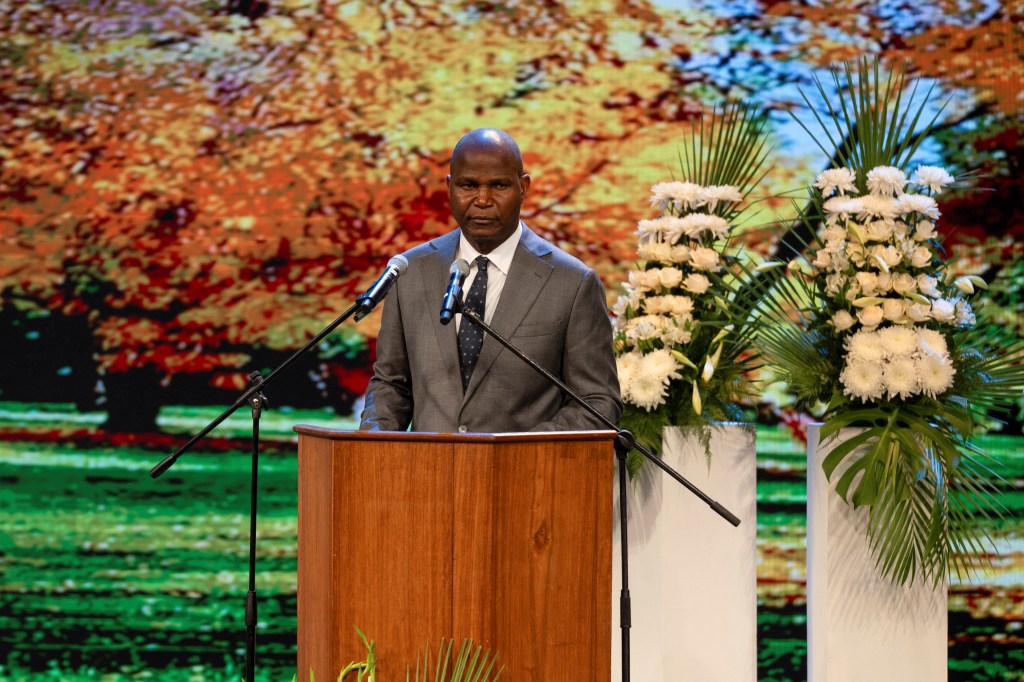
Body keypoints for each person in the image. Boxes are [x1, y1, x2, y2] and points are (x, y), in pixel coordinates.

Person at [359, 128, 621, 433]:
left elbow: (597, 403)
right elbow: (391, 385)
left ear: (523, 188)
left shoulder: (572, 283)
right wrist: (372, 445)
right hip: (428, 463)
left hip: (524, 463)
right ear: (449, 187)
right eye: (468, 185)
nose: (482, 200)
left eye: (498, 185)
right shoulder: (410, 272)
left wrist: (517, 451)